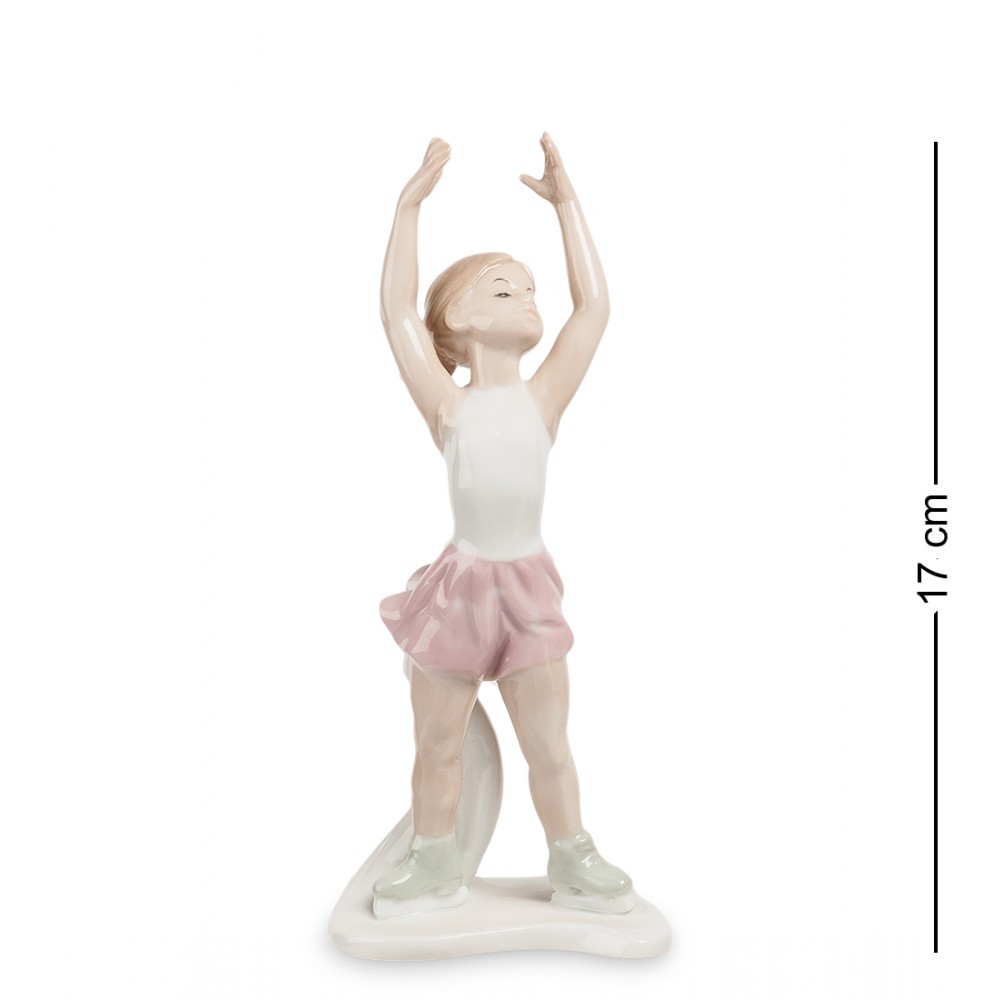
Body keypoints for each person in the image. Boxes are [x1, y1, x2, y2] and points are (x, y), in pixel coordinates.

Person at [372, 134, 633, 918]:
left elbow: (594, 309)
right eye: (502, 288)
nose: (526, 296)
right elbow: (397, 314)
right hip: (459, 591)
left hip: (525, 587)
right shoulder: (448, 406)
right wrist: (407, 209)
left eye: (527, 288)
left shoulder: (542, 397)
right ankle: (433, 857)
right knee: (437, 742)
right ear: (457, 317)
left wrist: (568, 206)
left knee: (548, 742)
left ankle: (572, 853)